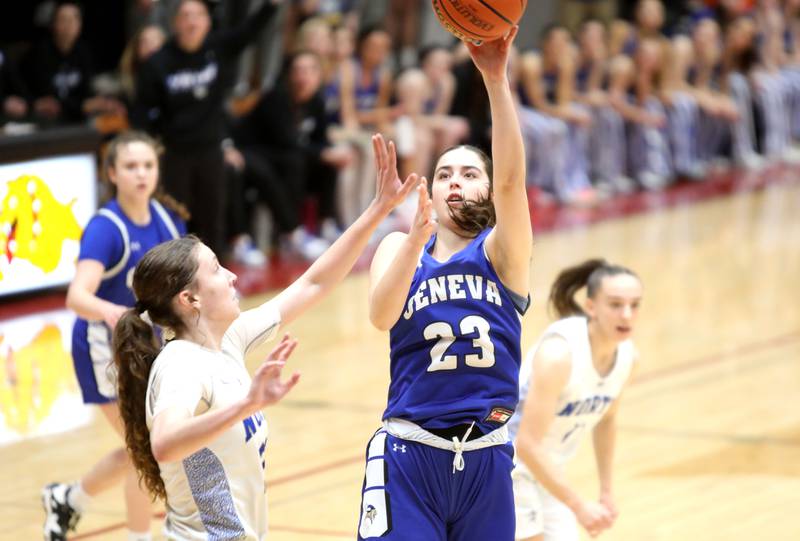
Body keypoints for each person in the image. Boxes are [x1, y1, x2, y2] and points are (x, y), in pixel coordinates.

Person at [111, 133, 418, 540]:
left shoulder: (227, 339)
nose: (233, 275)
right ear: (190, 299)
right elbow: (165, 443)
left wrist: (378, 210)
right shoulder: (180, 366)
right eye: (218, 270)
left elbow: (313, 284)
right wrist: (246, 405)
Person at [357, 26, 532, 541]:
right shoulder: (398, 248)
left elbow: (512, 181)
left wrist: (495, 80)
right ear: (430, 191)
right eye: (443, 174)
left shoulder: (503, 254)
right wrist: (414, 240)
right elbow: (380, 317)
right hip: (409, 454)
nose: (455, 182)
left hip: (486, 458)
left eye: (468, 174)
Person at [42, 131, 189, 541]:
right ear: (111, 173)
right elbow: (76, 296)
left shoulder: (163, 218)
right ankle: (131, 531)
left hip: (144, 349)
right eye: (130, 166)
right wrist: (113, 313)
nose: (140, 174)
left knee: (143, 450)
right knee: (145, 451)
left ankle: (70, 498)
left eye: (147, 165)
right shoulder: (106, 228)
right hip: (100, 349)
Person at [132, 0, 282, 257]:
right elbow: (140, 113)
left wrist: (270, 6)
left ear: (207, 22)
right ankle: (174, 282)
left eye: (198, 15)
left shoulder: (218, 48)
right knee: (175, 219)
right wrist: (150, 149)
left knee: (213, 218)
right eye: (186, 16)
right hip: (175, 153)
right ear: (175, 23)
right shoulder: (158, 63)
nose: (192, 22)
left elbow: (249, 32)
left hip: (210, 150)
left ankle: (217, 278)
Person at [507, 259, 642, 541]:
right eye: (616, 305)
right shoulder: (559, 355)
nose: (627, 315)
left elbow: (607, 419)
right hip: (508, 466)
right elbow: (527, 444)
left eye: (634, 304)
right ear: (591, 306)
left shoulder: (628, 357)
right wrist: (579, 506)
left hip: (549, 472)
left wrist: (606, 490)